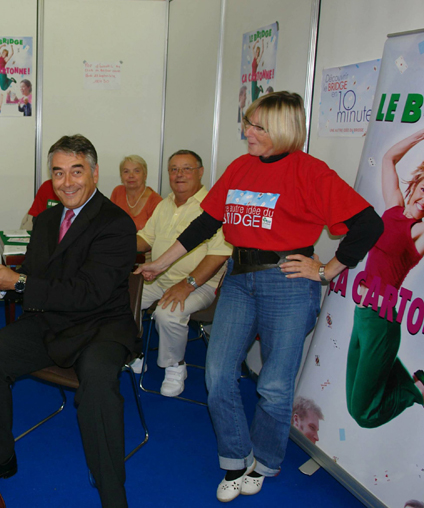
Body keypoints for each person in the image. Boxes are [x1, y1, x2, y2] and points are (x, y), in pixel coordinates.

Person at [136, 91, 382, 502]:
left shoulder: (310, 172)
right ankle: (235, 456)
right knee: (217, 374)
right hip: (239, 279)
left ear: (283, 129)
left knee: (274, 385)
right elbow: (205, 225)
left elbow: (369, 224)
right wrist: (159, 265)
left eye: (256, 126)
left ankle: (265, 461)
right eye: (247, 123)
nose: (246, 131)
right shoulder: (240, 167)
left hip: (287, 282)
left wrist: (326, 270)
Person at [0, 135, 139, 508]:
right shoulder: (46, 220)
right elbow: (33, 277)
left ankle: (112, 493)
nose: (67, 182)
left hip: (99, 327)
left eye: (76, 171)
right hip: (51, 322)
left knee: (98, 385)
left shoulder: (116, 223)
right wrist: (4, 283)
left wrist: (19, 283)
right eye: (58, 173)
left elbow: (89, 293)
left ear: (94, 173)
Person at [132, 150, 230, 396]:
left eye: (187, 168)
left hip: (200, 285)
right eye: (174, 169)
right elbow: (146, 239)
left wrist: (187, 285)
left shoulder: (213, 207)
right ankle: (133, 351)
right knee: (119, 299)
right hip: (159, 279)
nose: (179, 174)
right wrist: (114, 243)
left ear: (200, 172)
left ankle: (175, 366)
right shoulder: (164, 205)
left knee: (167, 313)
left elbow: (218, 255)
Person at [347, 128, 424, 429]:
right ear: (416, 183)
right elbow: (389, 158)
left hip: (382, 321)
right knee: (354, 405)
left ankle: (415, 390)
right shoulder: (393, 209)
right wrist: (421, 135)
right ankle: (407, 381)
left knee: (364, 414)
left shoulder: (418, 233)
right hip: (362, 314)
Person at [110, 155, 162, 230]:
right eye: (126, 171)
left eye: (136, 171)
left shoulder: (156, 201)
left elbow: (155, 233)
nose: (131, 175)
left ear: (145, 175)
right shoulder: (117, 192)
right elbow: (109, 222)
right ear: (121, 176)